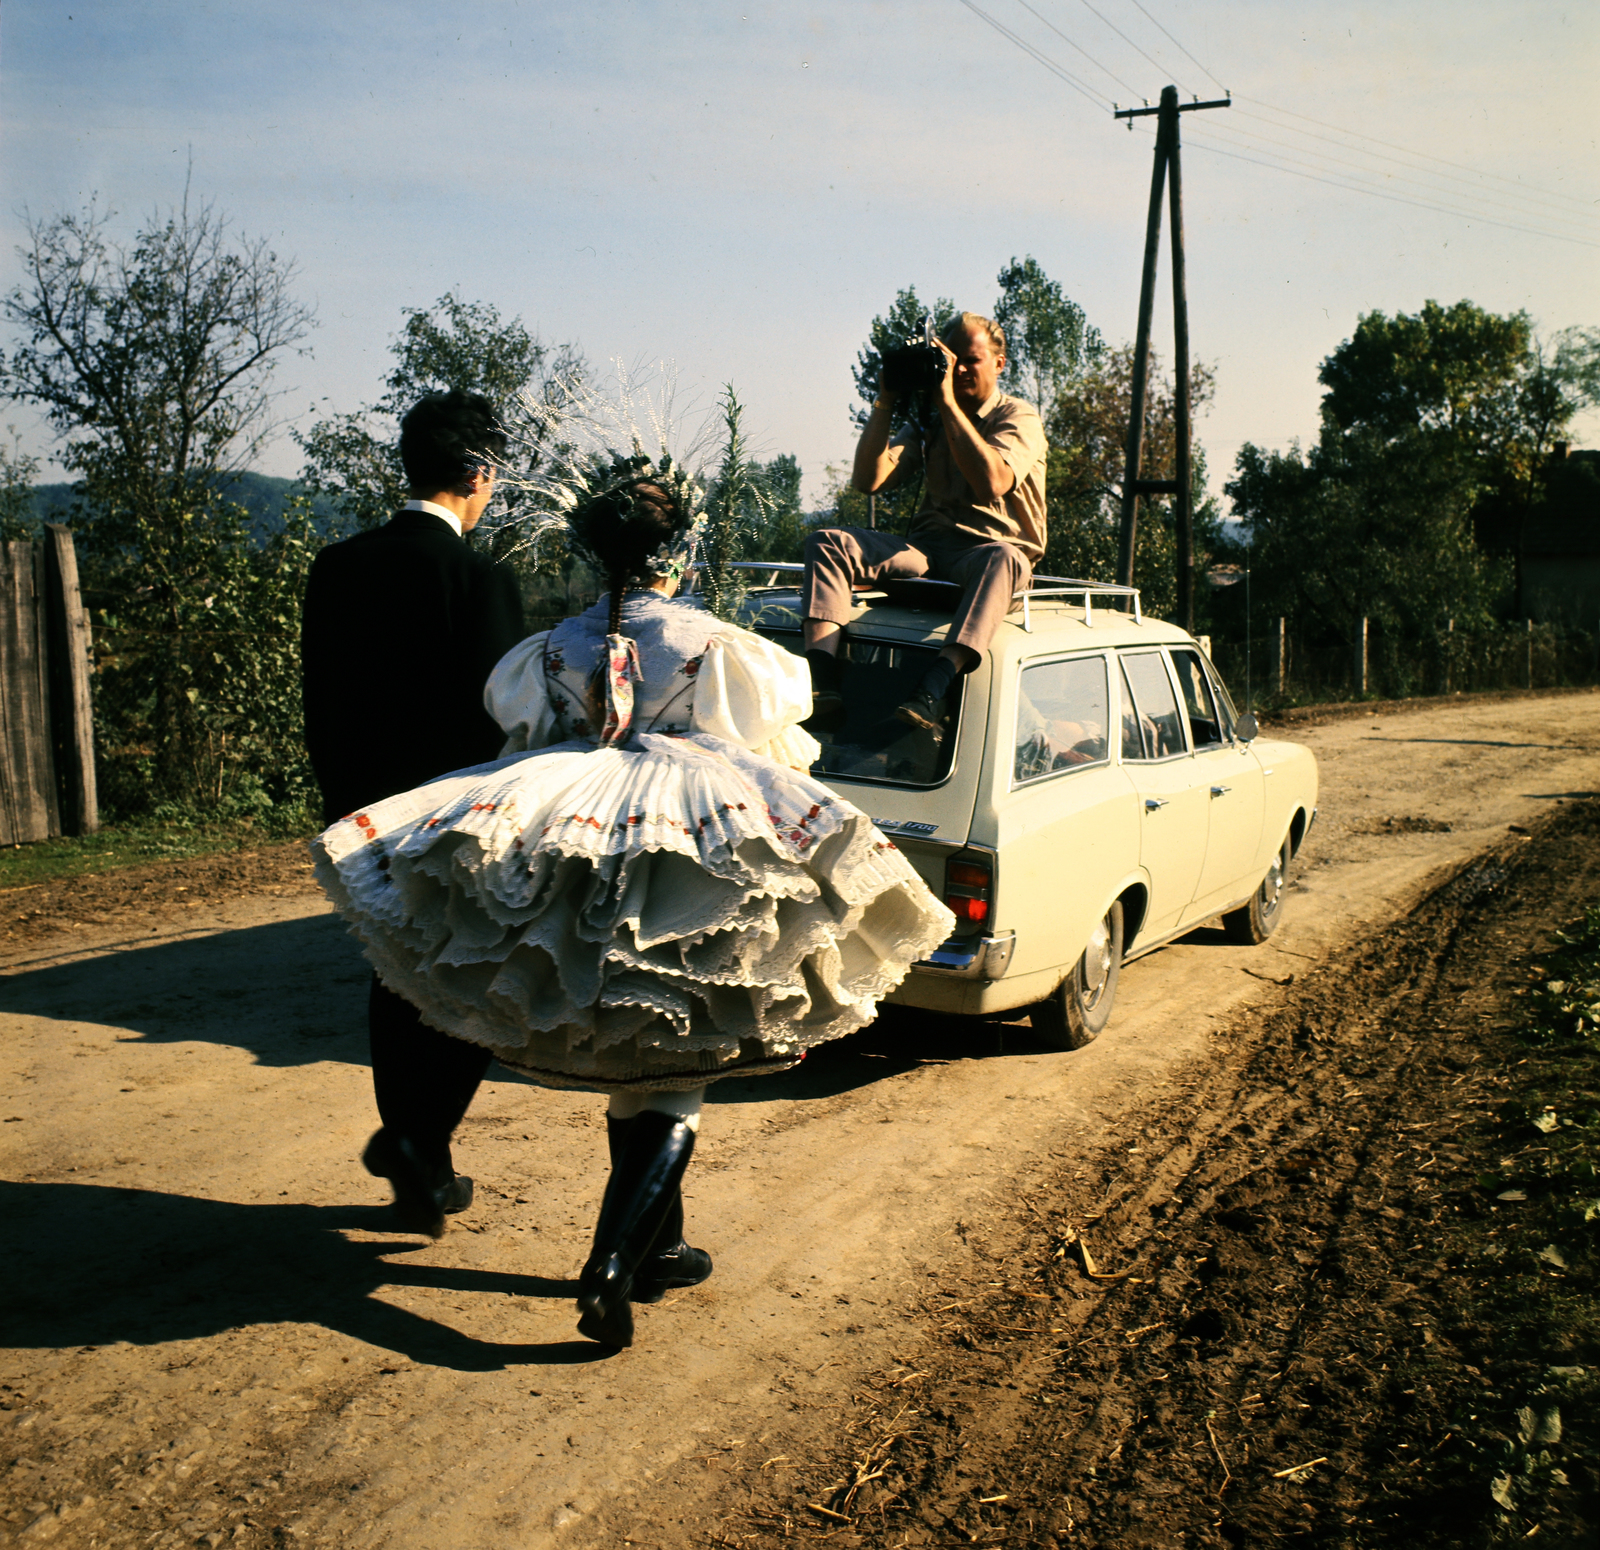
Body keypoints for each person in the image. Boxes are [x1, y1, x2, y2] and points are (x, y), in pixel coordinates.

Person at [311, 462, 953, 1349]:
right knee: (676, 1058)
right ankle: (612, 1261)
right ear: (680, 552)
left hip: (573, 845)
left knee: (636, 1057)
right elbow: (778, 718)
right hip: (684, 845)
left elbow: (527, 734)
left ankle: (660, 1247)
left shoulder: (545, 651)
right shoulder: (716, 645)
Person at [301, 389, 525, 1239]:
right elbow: (502, 717)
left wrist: (342, 807)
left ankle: (415, 1148)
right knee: (481, 979)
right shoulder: (479, 578)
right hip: (451, 820)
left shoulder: (338, 566)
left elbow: (322, 704)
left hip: (359, 818)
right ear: (477, 473)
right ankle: (420, 1142)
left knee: (394, 974)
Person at [802, 312, 1047, 740]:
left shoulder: (1018, 417)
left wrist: (947, 401)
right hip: (930, 552)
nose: (962, 370)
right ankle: (823, 682)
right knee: (828, 542)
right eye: (955, 361)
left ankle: (934, 686)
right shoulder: (928, 420)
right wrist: (886, 400)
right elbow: (869, 480)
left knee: (1007, 558)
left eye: (972, 360)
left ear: (1000, 363)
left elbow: (993, 482)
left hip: (988, 556)